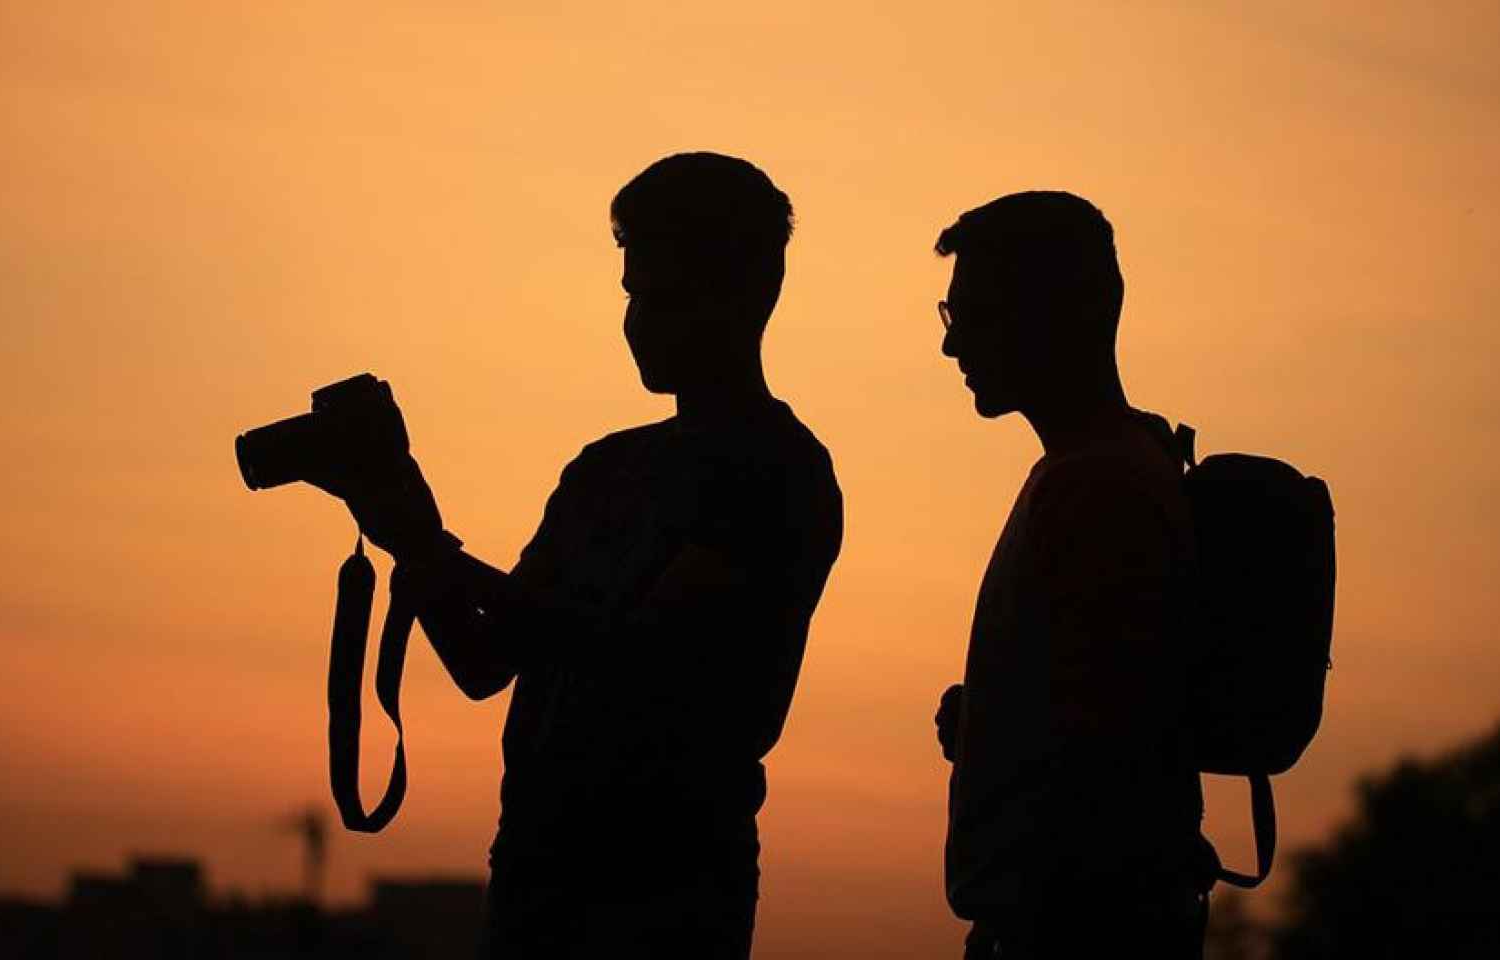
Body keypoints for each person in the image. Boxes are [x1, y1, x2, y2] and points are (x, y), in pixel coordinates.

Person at [313, 152, 842, 958]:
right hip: (535, 870)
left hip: (666, 889)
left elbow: (646, 657)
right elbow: (487, 662)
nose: (638, 319)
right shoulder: (605, 468)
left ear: (743, 293)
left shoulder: (776, 470)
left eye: (659, 293)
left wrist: (437, 551)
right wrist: (410, 535)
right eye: (632, 293)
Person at [930, 191, 1207, 957]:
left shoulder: (1096, 487)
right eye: (951, 317)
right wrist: (993, 721)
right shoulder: (1114, 468)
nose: (955, 349)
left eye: (977, 315)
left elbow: (1102, 741)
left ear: (1060, 313)